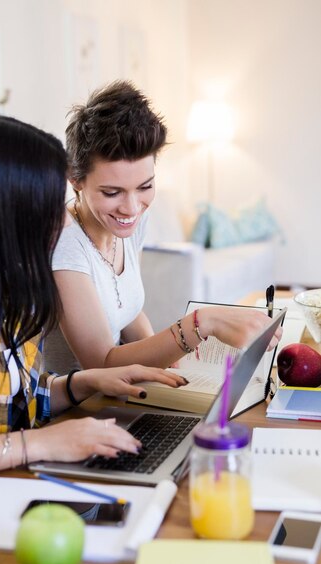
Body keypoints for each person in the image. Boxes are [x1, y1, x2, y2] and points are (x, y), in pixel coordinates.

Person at [0, 113, 185, 505]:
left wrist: (85, 382)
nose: (64, 223)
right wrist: (36, 444)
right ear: (5, 213)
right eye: (51, 208)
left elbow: (23, 398)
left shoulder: (12, 286)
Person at [45, 81, 281, 373]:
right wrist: (201, 324)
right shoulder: (65, 245)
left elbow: (129, 315)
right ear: (75, 179)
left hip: (126, 394)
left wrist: (170, 364)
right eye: (112, 193)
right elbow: (101, 363)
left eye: (145, 186)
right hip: (82, 411)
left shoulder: (128, 227)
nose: (131, 208)